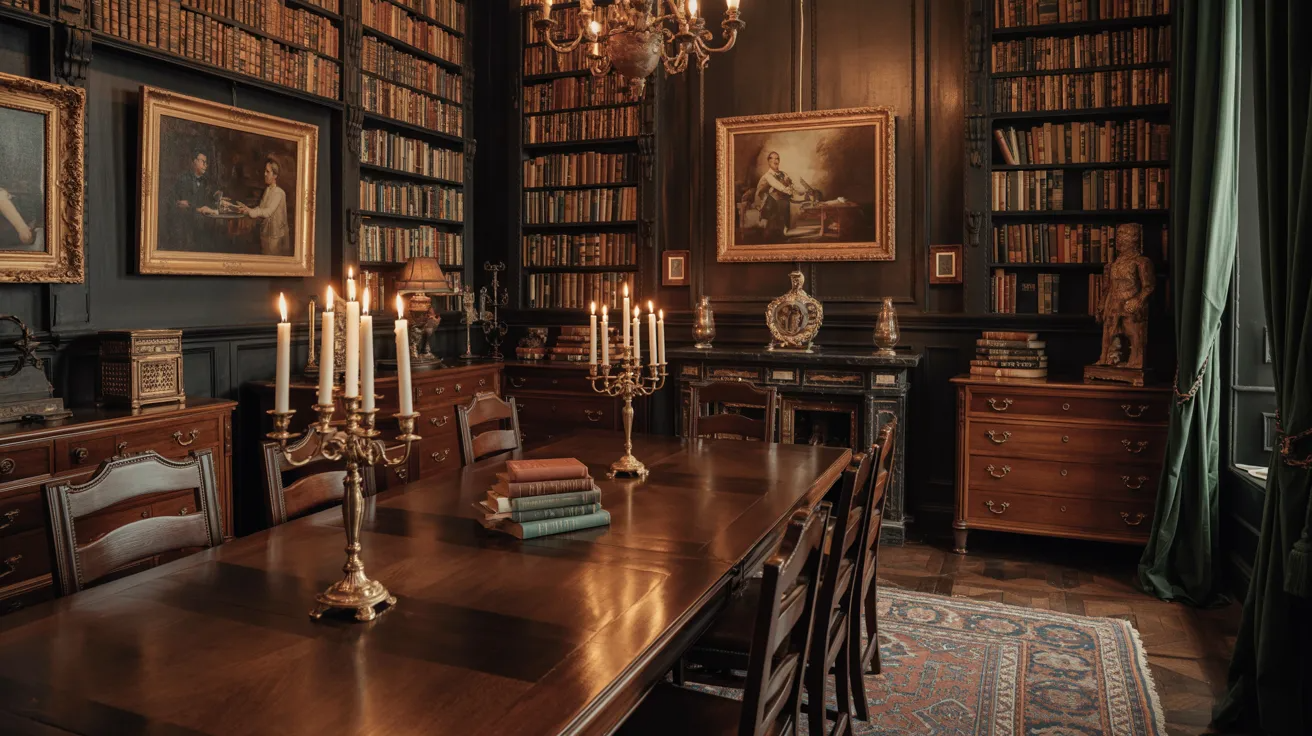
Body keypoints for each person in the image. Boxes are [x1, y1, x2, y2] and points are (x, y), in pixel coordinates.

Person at [752, 152, 817, 241]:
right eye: (773, 158)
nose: (775, 161)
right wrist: (789, 191)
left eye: (777, 159)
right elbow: (779, 187)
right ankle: (775, 232)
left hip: (777, 200)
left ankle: (782, 230)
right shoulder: (768, 176)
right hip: (763, 201)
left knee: (784, 200)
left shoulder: (783, 174)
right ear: (769, 161)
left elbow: (793, 185)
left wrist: (805, 191)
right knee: (779, 199)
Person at [168, 150, 219, 252]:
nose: (205, 165)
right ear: (194, 161)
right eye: (202, 161)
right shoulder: (183, 179)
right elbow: (181, 203)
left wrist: (218, 199)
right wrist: (198, 209)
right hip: (185, 224)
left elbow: (210, 200)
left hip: (202, 225)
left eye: (206, 162)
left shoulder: (207, 181)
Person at [238, 158, 289, 256]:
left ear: (275, 175)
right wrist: (247, 209)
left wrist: (250, 212)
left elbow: (268, 212)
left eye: (268, 172)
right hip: (265, 235)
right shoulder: (267, 190)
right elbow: (261, 209)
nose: (265, 174)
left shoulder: (279, 193)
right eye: (265, 171)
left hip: (275, 237)